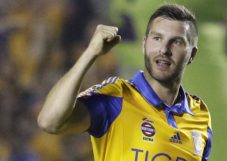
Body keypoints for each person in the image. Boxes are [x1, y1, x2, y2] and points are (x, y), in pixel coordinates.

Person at [37, 3, 212, 161]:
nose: (164, 49)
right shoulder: (117, 97)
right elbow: (49, 122)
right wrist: (90, 53)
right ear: (144, 44)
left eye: (176, 42)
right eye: (157, 38)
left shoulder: (200, 115)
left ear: (192, 54)